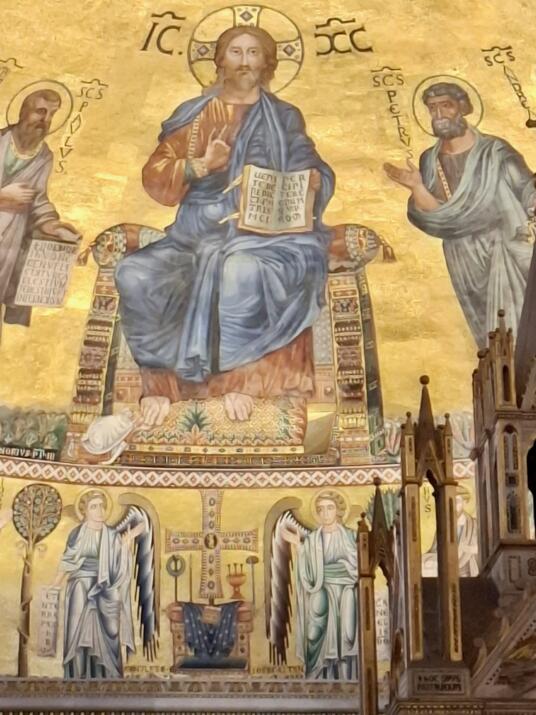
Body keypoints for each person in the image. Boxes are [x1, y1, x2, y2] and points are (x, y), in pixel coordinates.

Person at [115, 26, 335, 426]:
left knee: (240, 271)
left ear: (267, 63)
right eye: (236, 52)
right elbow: (156, 174)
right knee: (136, 273)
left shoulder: (283, 117)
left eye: (254, 52)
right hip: (193, 235)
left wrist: (315, 179)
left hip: (267, 236)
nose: (245, 61)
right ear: (219, 60)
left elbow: (309, 165)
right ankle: (162, 387)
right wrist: (201, 165)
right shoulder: (195, 114)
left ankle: (242, 381)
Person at [384, 82, 536, 348]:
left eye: (446, 105)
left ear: (463, 107)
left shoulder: (495, 151)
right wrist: (417, 187)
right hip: (461, 255)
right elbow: (436, 213)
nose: (439, 114)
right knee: (487, 334)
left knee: (516, 324)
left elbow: (525, 187)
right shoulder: (429, 160)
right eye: (432, 108)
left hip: (502, 248)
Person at [0, 89, 79, 328]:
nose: (45, 120)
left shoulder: (43, 156)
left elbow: (38, 200)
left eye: (52, 115)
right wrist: (3, 196)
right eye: (40, 112)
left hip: (8, 245)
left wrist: (52, 226)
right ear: (23, 111)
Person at [51, 490, 142, 678]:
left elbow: (119, 563)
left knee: (111, 629)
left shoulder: (112, 535)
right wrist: (55, 584)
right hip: (80, 583)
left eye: (102, 506)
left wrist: (126, 544)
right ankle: (77, 674)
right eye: (94, 507)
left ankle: (108, 675)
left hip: (105, 586)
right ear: (85, 511)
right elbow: (67, 561)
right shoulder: (77, 534)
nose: (100, 510)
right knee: (78, 626)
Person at [282, 491, 358, 679]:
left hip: (345, 592)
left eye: (329, 508)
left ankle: (346, 676)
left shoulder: (350, 536)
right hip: (320, 590)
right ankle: (320, 674)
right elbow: (307, 570)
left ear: (338, 511)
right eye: (320, 509)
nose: (325, 513)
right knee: (314, 633)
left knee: (347, 634)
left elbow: (358, 566)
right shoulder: (312, 539)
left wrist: (342, 568)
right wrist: (297, 545)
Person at [422, 485, 478, 577]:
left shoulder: (475, 525)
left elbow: (480, 550)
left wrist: (468, 549)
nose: (453, 506)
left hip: (467, 574)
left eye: (457, 501)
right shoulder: (443, 526)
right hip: (446, 571)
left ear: (465, 502)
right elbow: (435, 550)